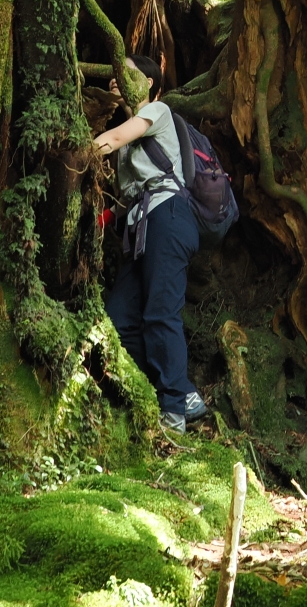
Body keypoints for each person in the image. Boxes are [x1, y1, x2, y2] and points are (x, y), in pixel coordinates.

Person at [96, 53, 211, 433]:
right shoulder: (130, 135)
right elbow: (128, 194)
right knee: (120, 320)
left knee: (161, 313)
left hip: (169, 217)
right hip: (141, 226)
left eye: (125, 74)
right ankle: (184, 392)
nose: (116, 79)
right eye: (113, 75)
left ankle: (174, 413)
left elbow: (111, 139)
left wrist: (76, 153)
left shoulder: (157, 111)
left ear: (146, 83)